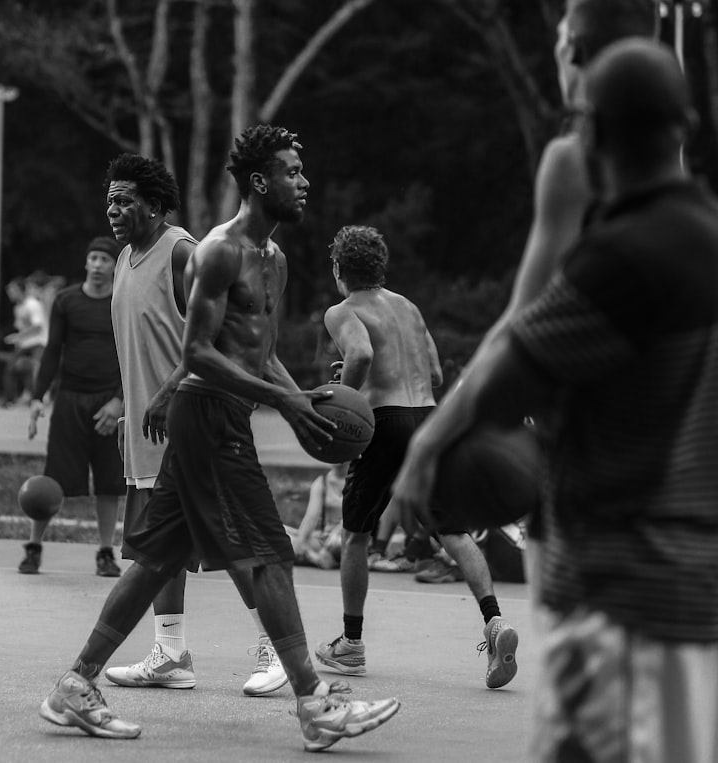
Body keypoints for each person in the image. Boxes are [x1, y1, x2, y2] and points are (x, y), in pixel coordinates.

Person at [396, 38, 718, 762]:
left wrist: (434, 453)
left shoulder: (618, 260)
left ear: (591, 135)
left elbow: (506, 387)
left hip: (614, 596)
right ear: (687, 126)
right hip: (694, 597)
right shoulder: (708, 238)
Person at [39, 125, 400, 751]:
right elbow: (198, 352)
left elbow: (259, 353)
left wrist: (298, 399)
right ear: (260, 182)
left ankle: (76, 683)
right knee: (266, 553)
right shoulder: (217, 252)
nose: (304, 181)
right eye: (292, 170)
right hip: (206, 415)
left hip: (225, 414)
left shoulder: (276, 259)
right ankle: (314, 702)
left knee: (156, 559)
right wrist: (281, 399)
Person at [391, 0, 658, 605]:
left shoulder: (577, 159)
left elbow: (522, 322)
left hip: (590, 476)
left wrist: (431, 443)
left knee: (584, 690)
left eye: (562, 35)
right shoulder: (677, 171)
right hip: (670, 484)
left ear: (574, 53)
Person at [104, 153, 287, 696]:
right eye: (109, 199)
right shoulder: (124, 257)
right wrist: (125, 404)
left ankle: (272, 648)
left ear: (156, 206)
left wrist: (166, 393)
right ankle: (171, 653)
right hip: (147, 430)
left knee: (226, 538)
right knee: (157, 550)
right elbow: (138, 343)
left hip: (190, 420)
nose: (113, 209)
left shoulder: (182, 252)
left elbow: (216, 339)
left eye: (125, 200)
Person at [313, 225, 517, 689]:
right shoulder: (408, 307)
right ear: (381, 267)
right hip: (427, 418)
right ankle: (495, 622)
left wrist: (344, 394)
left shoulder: (340, 310)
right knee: (452, 528)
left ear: (339, 270)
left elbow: (361, 351)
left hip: (385, 423)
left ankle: (351, 644)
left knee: (357, 534)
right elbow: (437, 373)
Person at [22, 237, 125, 577]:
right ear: (86, 263)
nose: (98, 265)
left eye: (104, 260)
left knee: (111, 482)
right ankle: (34, 547)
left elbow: (133, 357)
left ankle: (106, 552)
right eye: (93, 258)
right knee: (54, 479)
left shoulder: (123, 302)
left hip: (108, 404)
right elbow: (52, 351)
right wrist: (38, 398)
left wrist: (119, 401)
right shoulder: (67, 301)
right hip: (70, 400)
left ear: (114, 265)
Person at [286, 462, 346, 570]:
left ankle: (314, 556)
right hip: (323, 539)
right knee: (281, 532)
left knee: (337, 543)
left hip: (345, 537)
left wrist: (337, 532)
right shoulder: (321, 482)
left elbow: (354, 517)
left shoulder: (357, 481)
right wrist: (300, 541)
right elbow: (311, 518)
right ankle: (312, 556)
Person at [1, 276, 47, 406]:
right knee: (11, 367)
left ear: (20, 290)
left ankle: (37, 397)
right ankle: (10, 399)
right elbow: (21, 326)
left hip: (38, 342)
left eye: (12, 290)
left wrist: (18, 336)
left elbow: (38, 327)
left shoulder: (32, 304)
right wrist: (19, 340)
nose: (10, 294)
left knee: (36, 370)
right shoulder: (18, 307)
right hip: (25, 343)